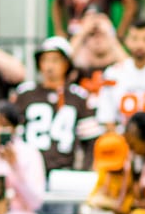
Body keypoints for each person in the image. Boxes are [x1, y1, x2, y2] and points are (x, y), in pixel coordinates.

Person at [13, 37, 99, 173]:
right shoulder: (25, 93)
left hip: (64, 170)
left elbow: (90, 140)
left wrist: (83, 170)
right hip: (29, 169)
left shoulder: (78, 96)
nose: (49, 66)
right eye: (45, 60)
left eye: (55, 60)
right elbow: (14, 134)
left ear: (66, 64)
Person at [71, 11, 128, 103]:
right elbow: (63, 60)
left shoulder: (118, 63)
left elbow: (131, 68)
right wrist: (82, 32)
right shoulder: (79, 63)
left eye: (102, 35)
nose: (97, 39)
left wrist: (109, 32)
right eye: (92, 35)